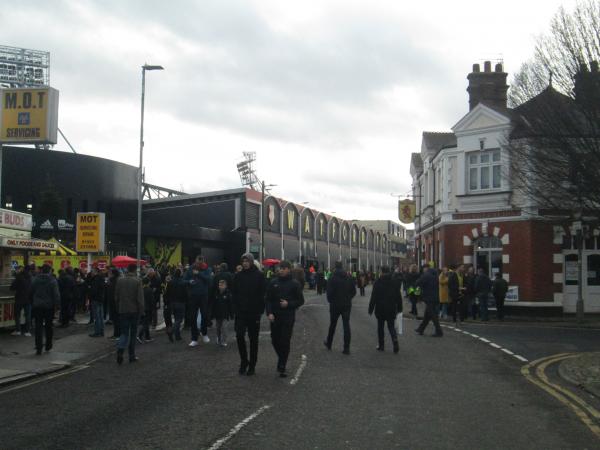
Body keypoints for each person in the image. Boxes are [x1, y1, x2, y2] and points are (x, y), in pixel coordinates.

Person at [265, 260, 304, 377]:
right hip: (275, 316)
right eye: (280, 268)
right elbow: (268, 299)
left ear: (288, 269)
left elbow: (301, 301)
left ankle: (282, 364)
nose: (280, 270)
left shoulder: (295, 284)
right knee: (275, 340)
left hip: (288, 317)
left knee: (285, 341)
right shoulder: (273, 282)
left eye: (283, 268)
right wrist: (269, 313)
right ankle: (282, 358)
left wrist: (289, 304)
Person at [232, 253, 266, 376]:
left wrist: (260, 311)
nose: (245, 263)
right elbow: (234, 293)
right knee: (239, 336)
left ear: (251, 262)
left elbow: (263, 294)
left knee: (253, 340)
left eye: (247, 261)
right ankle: (244, 361)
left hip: (254, 313)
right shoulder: (238, 276)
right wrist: (235, 308)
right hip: (241, 312)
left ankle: (252, 364)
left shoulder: (259, 276)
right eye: (243, 261)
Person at [324, 261, 356, 355]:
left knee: (332, 325)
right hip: (346, 304)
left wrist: (331, 301)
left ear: (335, 267)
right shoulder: (348, 277)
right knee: (346, 325)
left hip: (335, 304)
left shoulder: (332, 278)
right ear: (342, 267)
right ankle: (346, 348)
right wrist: (348, 298)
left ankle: (329, 343)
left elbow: (329, 292)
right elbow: (353, 291)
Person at [115, 264, 144, 364]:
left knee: (124, 333)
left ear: (127, 269)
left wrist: (119, 306)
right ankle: (131, 355)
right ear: (135, 270)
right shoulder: (138, 281)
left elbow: (116, 297)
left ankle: (120, 350)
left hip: (123, 310)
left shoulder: (120, 280)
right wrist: (141, 311)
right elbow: (140, 299)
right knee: (133, 333)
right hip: (134, 311)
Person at [368, 266, 402, 353]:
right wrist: (400, 307)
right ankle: (394, 340)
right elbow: (398, 296)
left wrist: (370, 309)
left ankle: (381, 345)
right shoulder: (394, 282)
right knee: (391, 326)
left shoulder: (378, 282)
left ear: (382, 272)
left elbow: (374, 297)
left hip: (380, 308)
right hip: (391, 307)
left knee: (380, 327)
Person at [30, 264, 61, 355]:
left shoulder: (35, 279)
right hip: (49, 307)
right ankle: (48, 345)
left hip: (37, 306)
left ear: (41, 270)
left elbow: (31, 292)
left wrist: (33, 302)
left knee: (38, 327)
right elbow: (56, 294)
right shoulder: (52, 280)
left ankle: (38, 347)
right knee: (48, 326)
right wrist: (57, 306)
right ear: (50, 271)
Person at [185, 259, 212, 346]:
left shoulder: (207, 269)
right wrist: (189, 281)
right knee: (192, 317)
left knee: (204, 315)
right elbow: (184, 280)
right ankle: (194, 338)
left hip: (204, 295)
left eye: (200, 263)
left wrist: (199, 274)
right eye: (197, 262)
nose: (198, 264)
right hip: (193, 296)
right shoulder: (190, 269)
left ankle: (204, 333)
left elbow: (209, 280)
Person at [415, 266, 443, 337]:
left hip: (428, 297)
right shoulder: (435, 275)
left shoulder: (426, 275)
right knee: (427, 315)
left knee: (433, 315)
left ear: (426, 269)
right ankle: (421, 329)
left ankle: (439, 331)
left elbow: (418, 282)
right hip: (435, 297)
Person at [164, 269, 188, 341]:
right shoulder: (183, 282)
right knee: (179, 320)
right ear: (180, 274)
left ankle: (178, 336)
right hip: (180, 302)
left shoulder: (170, 282)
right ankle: (171, 331)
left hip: (172, 303)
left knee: (176, 319)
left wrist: (167, 302)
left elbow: (166, 293)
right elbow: (186, 293)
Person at [10, 265, 32, 336]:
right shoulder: (30, 277)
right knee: (28, 315)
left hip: (19, 298)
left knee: (17, 315)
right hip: (28, 299)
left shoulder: (19, 277)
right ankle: (27, 331)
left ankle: (18, 330)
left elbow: (12, 287)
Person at [213, 279, 233, 346]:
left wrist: (231, 314)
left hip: (225, 314)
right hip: (217, 314)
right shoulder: (216, 293)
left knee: (224, 328)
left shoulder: (228, 294)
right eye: (219, 285)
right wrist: (212, 314)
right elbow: (213, 304)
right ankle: (218, 339)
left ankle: (224, 340)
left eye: (222, 285)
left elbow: (230, 305)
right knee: (218, 328)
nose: (220, 286)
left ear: (225, 286)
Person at [89, 267, 107, 337]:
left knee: (97, 317)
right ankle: (101, 331)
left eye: (92, 271)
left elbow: (94, 290)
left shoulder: (95, 279)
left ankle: (97, 332)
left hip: (95, 299)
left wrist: (90, 292)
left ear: (95, 271)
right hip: (101, 299)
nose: (91, 273)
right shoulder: (101, 278)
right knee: (101, 316)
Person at [137, 277, 154, 343]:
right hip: (148, 308)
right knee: (146, 323)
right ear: (148, 282)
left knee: (144, 322)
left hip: (142, 308)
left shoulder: (141, 289)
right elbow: (152, 300)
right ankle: (140, 335)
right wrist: (153, 308)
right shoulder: (149, 290)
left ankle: (147, 337)